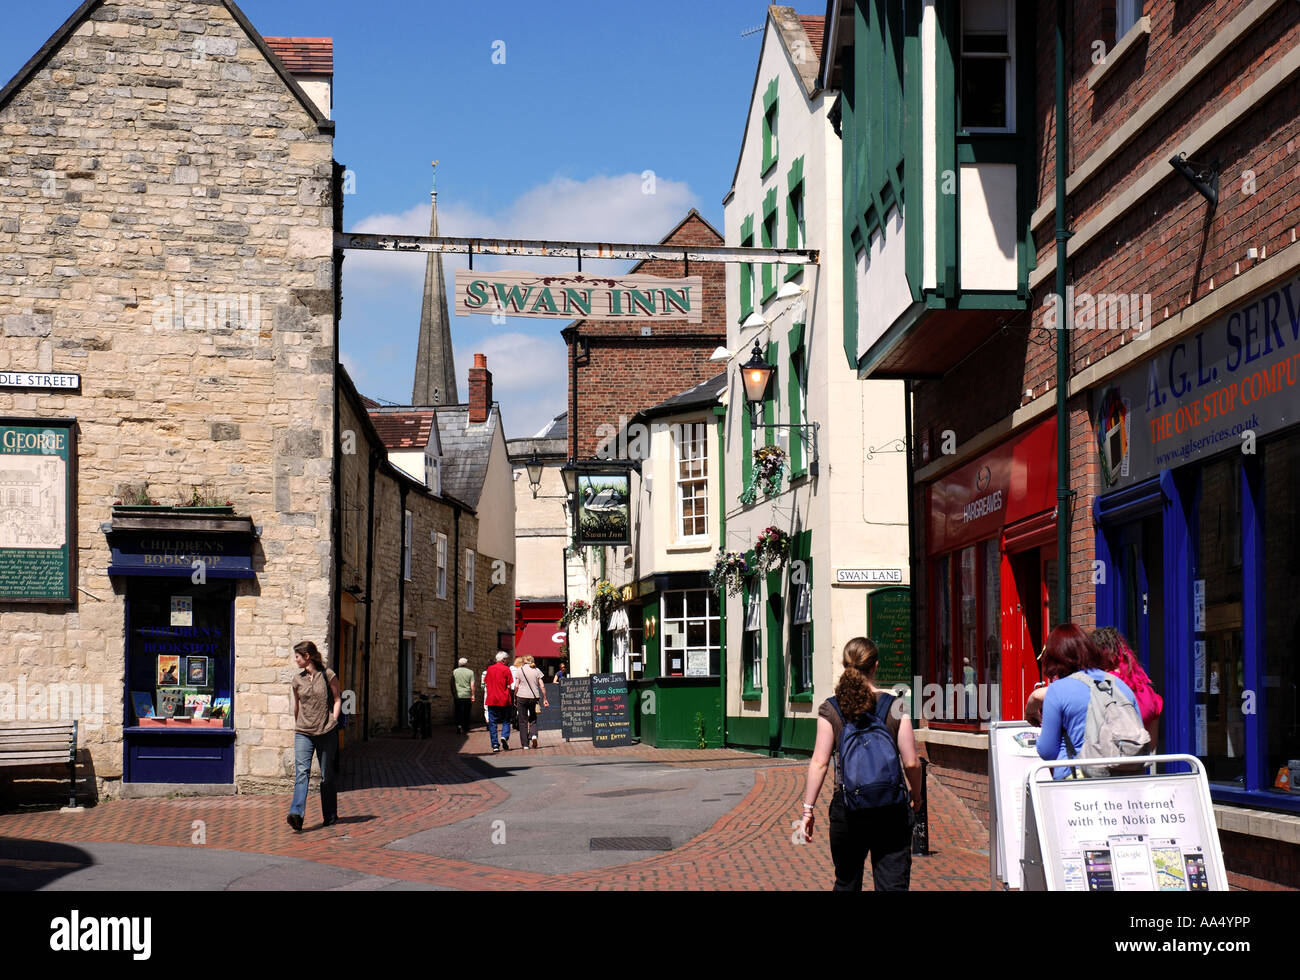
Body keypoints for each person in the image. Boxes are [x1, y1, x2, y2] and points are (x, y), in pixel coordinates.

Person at [799, 637, 922, 891]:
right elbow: (911, 762)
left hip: (848, 810)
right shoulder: (896, 705)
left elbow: (820, 763)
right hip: (891, 809)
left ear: (845, 664)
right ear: (875, 666)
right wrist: (916, 796)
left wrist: (807, 811)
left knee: (847, 883)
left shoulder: (831, 709)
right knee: (892, 885)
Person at [1034, 624, 1140, 779]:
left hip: (1078, 782)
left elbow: (1047, 751)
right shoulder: (1119, 685)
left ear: (1054, 657)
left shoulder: (1057, 690)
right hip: (1124, 779)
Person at [288, 640, 342, 831]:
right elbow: (297, 705)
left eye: (297, 656)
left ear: (307, 656)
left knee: (326, 775)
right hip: (303, 732)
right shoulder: (297, 680)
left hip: (326, 731)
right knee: (302, 773)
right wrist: (298, 724)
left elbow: (337, 699)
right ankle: (296, 814)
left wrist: (333, 720)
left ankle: (330, 814)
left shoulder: (328, 675)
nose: (295, 660)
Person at [1090, 626, 1162, 746]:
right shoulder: (1147, 692)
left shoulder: (1099, 686)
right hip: (1137, 761)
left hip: (1105, 760)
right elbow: (1151, 746)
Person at [513, 655, 549, 750]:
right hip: (534, 697)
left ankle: (525, 744)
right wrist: (545, 698)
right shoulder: (536, 670)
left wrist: (514, 697)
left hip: (521, 696)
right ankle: (533, 735)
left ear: (524, 661)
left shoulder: (520, 670)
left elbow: (516, 685)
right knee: (533, 718)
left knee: (522, 720)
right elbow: (542, 686)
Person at [484, 651, 514, 753]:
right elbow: (509, 685)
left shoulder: (490, 669)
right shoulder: (506, 669)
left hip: (492, 699)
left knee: (493, 723)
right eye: (507, 659)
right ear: (503, 659)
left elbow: (486, 682)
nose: (507, 661)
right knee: (506, 720)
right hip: (504, 699)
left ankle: (495, 745)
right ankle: (504, 736)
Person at [451, 657, 476, 735]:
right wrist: (473, 695)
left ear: (459, 664)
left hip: (458, 695)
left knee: (458, 711)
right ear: (466, 664)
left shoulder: (454, 671)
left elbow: (451, 683)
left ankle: (459, 726)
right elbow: (472, 685)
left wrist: (453, 692)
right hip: (467, 695)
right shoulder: (470, 672)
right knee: (467, 712)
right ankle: (466, 727)